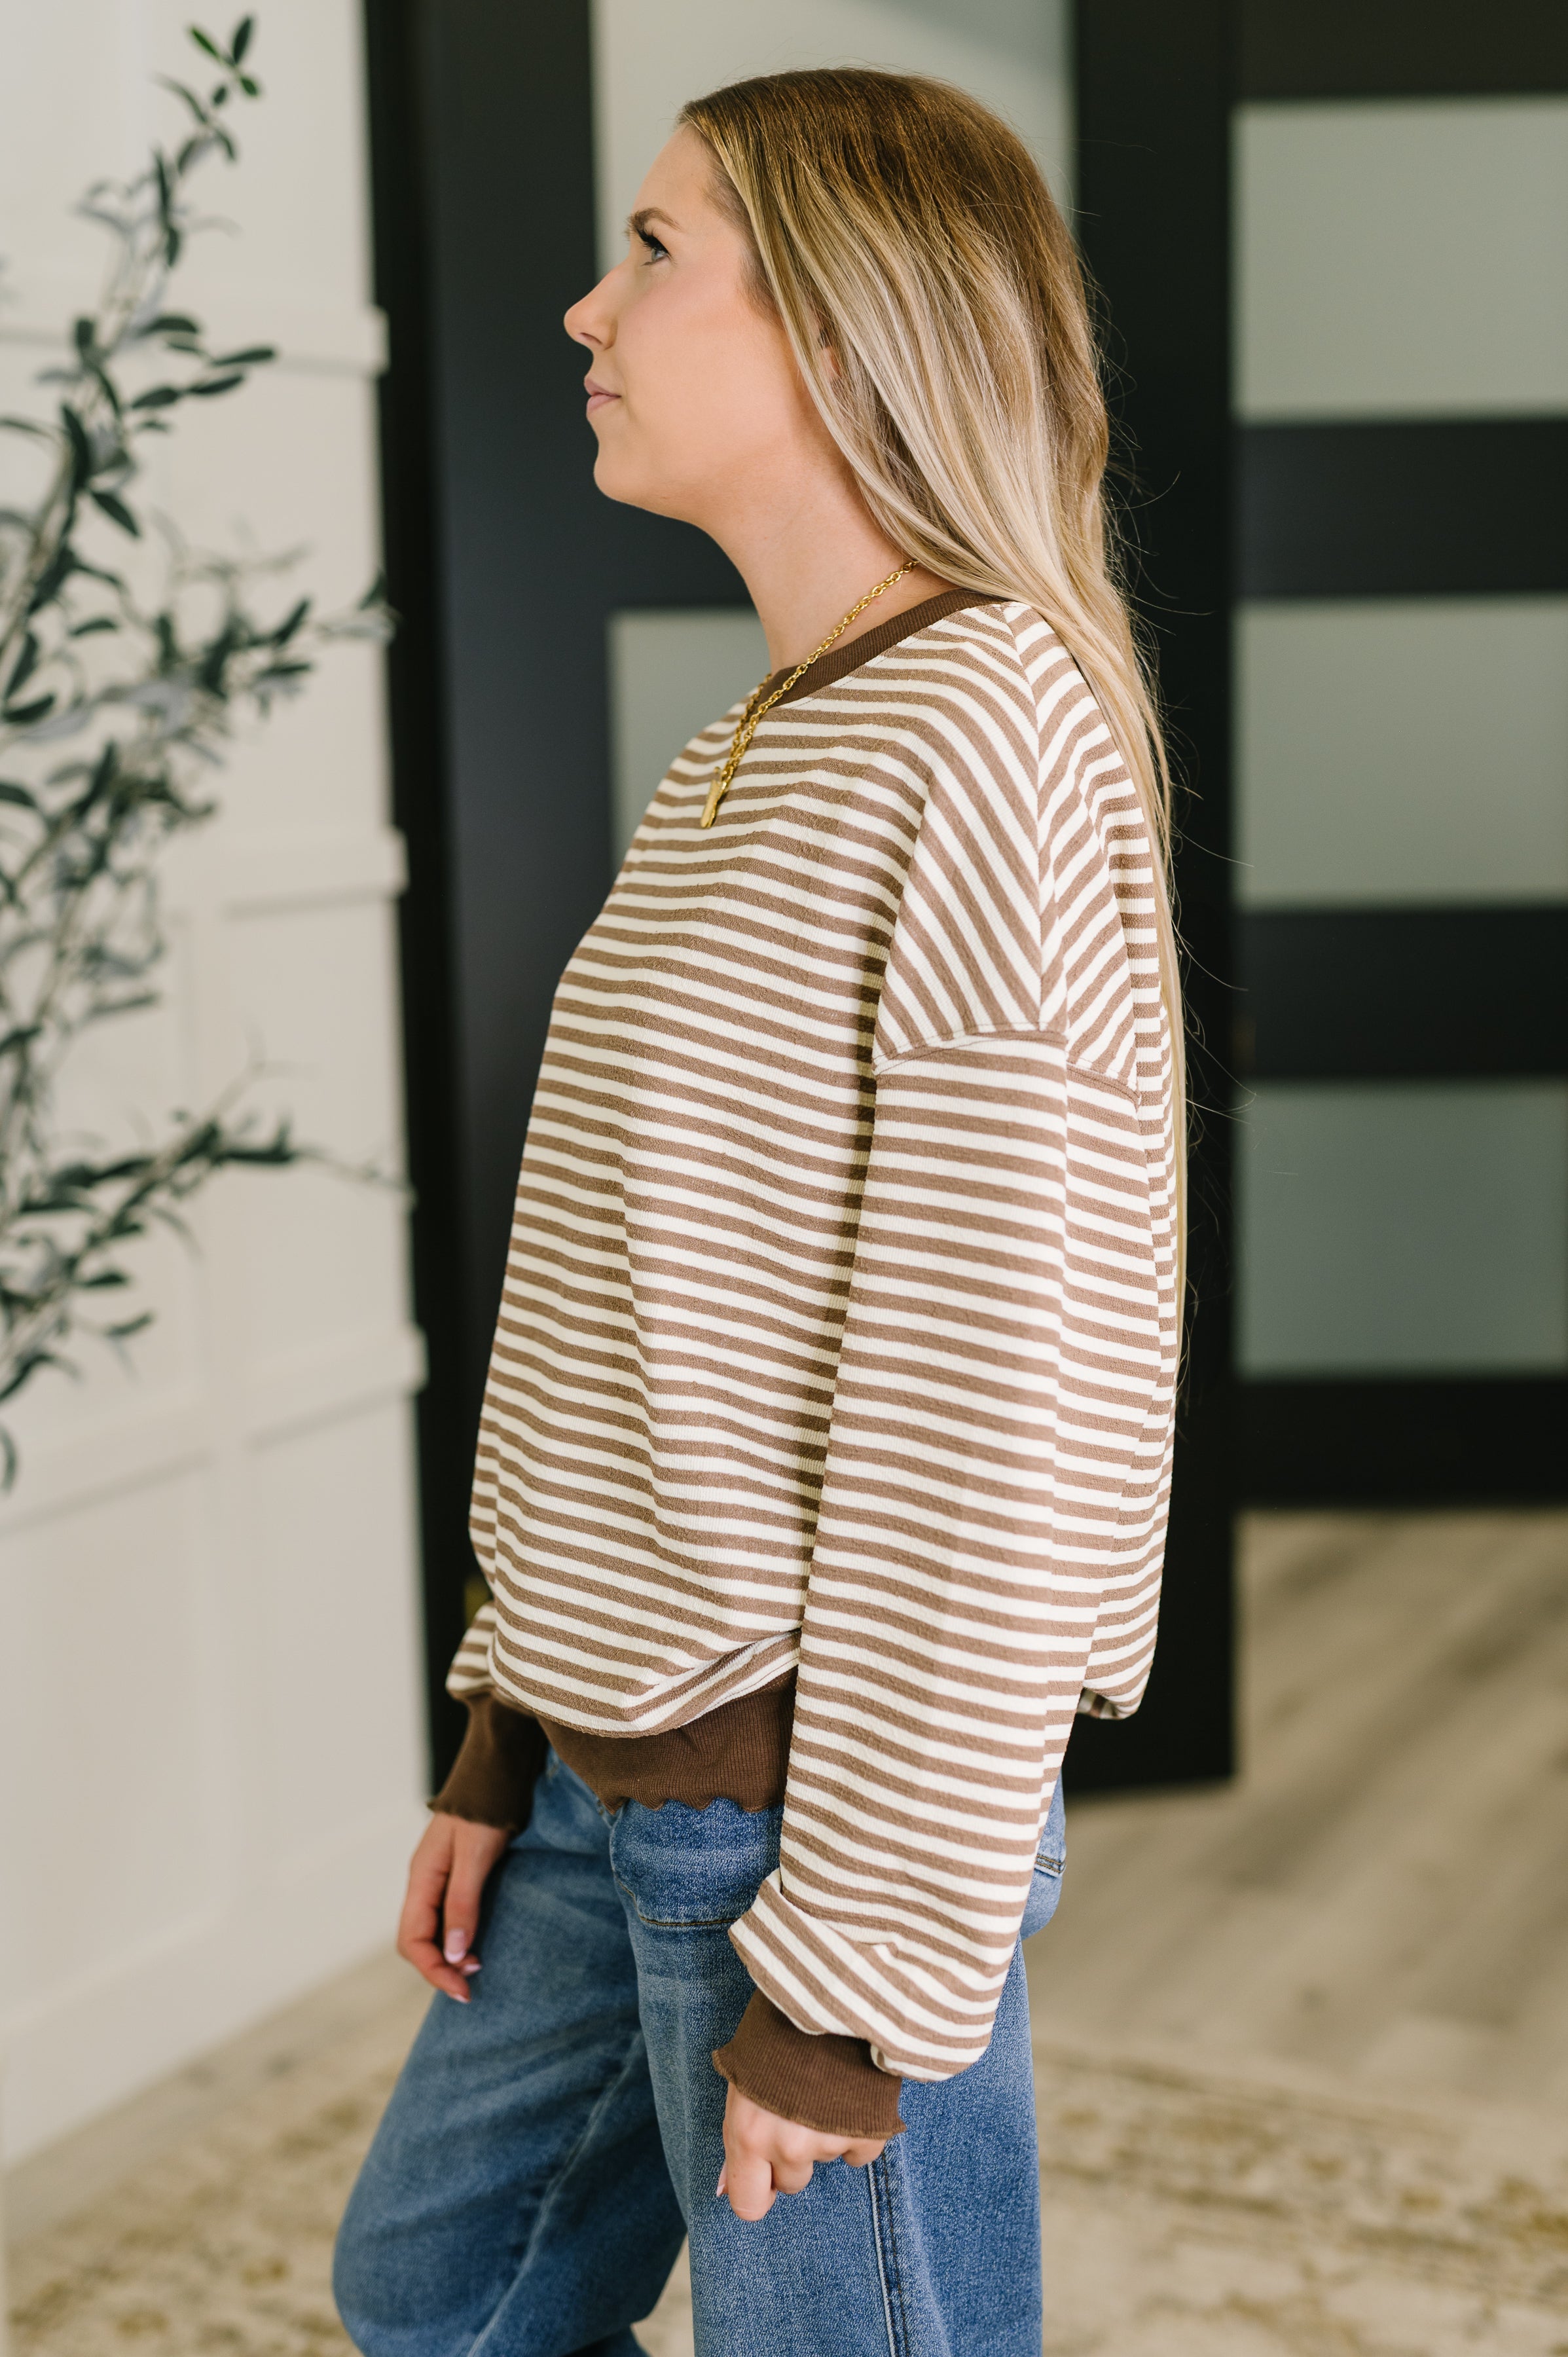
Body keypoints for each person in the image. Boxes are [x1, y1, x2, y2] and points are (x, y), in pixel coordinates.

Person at [335, 65, 1181, 2357]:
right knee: (436, 2294)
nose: (586, 302)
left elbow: (995, 1406)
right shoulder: (760, 745)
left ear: (840, 317)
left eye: (656, 248)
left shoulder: (989, 727)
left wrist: (864, 1973)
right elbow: (634, 1306)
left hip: (813, 1799)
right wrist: (507, 1727)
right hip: (621, 1747)